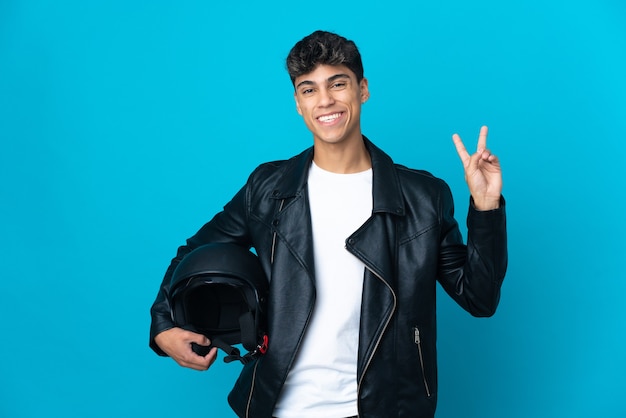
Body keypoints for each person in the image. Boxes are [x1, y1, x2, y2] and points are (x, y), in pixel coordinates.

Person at [149, 30, 507, 418]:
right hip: (280, 407)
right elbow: (193, 254)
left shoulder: (423, 196)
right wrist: (163, 325)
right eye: (309, 89)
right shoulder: (267, 189)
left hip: (385, 408)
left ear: (362, 89)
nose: (325, 101)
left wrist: (486, 207)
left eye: (338, 84)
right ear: (298, 104)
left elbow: (479, 298)